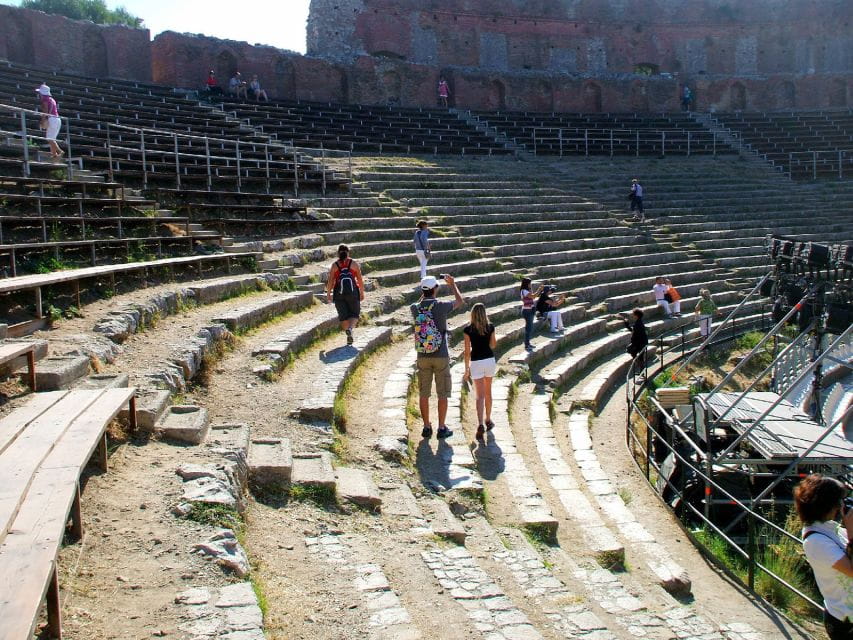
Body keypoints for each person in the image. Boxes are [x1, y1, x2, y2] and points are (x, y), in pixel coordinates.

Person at [794, 474, 853, 639]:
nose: (843, 506)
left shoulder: (832, 529)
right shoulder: (816, 540)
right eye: (840, 502)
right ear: (827, 505)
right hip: (846, 621)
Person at [411, 274, 465, 440]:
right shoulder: (441, 306)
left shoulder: (415, 308)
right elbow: (459, 301)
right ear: (435, 289)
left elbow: (420, 301)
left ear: (423, 290)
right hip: (441, 354)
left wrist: (425, 292)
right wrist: (452, 284)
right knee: (442, 393)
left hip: (422, 355)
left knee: (424, 393)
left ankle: (426, 426)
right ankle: (441, 427)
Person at [463, 303, 497, 442]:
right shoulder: (490, 327)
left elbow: (466, 352)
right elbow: (493, 345)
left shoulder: (468, 330)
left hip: (476, 362)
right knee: (488, 392)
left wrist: (466, 369)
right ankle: (488, 419)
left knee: (480, 395)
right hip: (489, 360)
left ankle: (480, 423)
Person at [325, 244, 365, 346]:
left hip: (339, 293)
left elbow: (330, 281)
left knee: (343, 316)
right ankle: (350, 330)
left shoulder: (335, 265)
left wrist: (328, 294)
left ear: (338, 253)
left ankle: (348, 332)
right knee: (354, 314)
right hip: (353, 292)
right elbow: (359, 279)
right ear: (348, 252)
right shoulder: (353, 263)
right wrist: (361, 292)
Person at [35, 84, 63, 159]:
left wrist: (42, 121)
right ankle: (54, 155)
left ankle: (60, 151)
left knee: (50, 138)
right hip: (57, 119)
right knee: (52, 138)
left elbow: (45, 112)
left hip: (52, 119)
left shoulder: (45, 100)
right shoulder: (52, 99)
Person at [520, 277, 543, 351]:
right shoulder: (524, 291)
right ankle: (527, 345)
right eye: (530, 283)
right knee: (528, 328)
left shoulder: (527, 290)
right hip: (527, 311)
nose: (531, 285)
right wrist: (539, 289)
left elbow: (532, 297)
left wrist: (531, 289)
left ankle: (528, 343)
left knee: (529, 328)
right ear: (527, 284)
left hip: (530, 310)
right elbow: (533, 296)